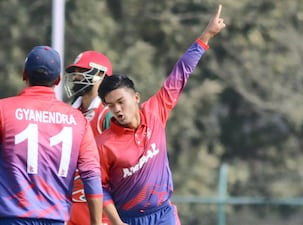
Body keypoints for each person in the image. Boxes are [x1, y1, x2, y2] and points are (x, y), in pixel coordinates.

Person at [95, 5, 226, 225]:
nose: (117, 109)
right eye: (110, 105)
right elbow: (100, 187)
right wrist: (116, 222)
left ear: (136, 98)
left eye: (120, 102)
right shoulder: (103, 144)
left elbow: (180, 74)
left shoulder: (155, 111)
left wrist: (207, 35)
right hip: (129, 220)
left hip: (163, 215)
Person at [0, 46, 103, 225]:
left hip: (13, 219)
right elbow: (91, 174)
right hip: (56, 220)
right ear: (58, 79)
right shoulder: (78, 119)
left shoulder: (2, 110)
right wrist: (96, 222)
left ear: (24, 74)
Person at [64, 51, 113, 225]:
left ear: (100, 74)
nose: (76, 77)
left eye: (81, 71)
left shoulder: (107, 115)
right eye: (75, 72)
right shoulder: (69, 113)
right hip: (69, 207)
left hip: (99, 211)